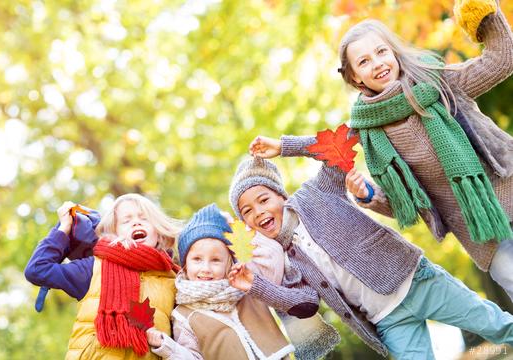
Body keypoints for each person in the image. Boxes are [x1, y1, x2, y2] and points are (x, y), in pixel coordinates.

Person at [227, 135, 513, 358]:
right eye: (247, 211)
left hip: (417, 282)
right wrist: (256, 286)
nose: (258, 212)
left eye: (263, 200)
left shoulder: (315, 194)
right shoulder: (281, 259)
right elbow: (305, 303)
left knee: (498, 326)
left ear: (281, 196)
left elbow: (339, 145)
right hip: (388, 319)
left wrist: (285, 146)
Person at [339, 0, 513, 300]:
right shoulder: (371, 132)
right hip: (481, 232)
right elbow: (403, 202)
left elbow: (501, 60)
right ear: (354, 76)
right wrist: (367, 195)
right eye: (364, 61)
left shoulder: (439, 82)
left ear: (393, 52)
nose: (378, 63)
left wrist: (483, 11)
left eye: (381, 52)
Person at [25, 193, 181, 359]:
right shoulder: (93, 269)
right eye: (126, 221)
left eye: (144, 218)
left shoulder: (174, 281)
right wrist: (64, 227)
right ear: (114, 232)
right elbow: (37, 269)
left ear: (158, 230)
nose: (136, 222)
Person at [146, 203, 296, 360]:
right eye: (197, 259)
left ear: (229, 262)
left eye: (216, 260)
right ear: (185, 264)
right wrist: (168, 348)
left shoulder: (248, 285)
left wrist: (234, 226)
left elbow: (272, 255)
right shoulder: (183, 314)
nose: (206, 268)